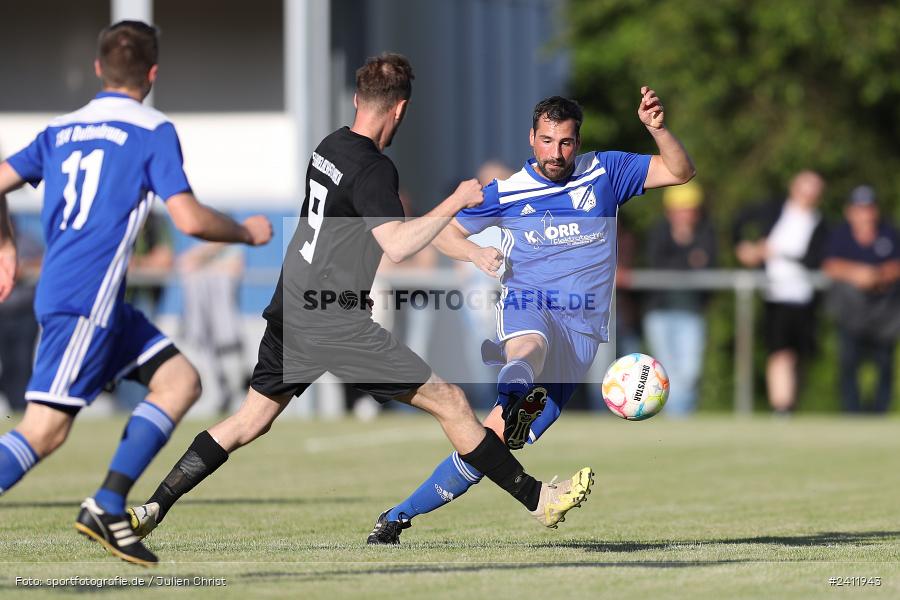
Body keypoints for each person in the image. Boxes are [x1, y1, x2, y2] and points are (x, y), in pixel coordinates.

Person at [126, 54, 593, 552]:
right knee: (452, 401)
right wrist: (455, 201)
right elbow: (397, 244)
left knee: (249, 421)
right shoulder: (375, 170)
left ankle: (154, 504)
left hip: (291, 307)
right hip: (334, 319)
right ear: (401, 110)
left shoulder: (328, 147)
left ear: (357, 99)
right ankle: (538, 498)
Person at [0, 21, 273, 566]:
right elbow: (190, 219)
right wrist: (246, 232)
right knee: (44, 431)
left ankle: (106, 504)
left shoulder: (61, 129)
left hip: (94, 300)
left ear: (99, 69)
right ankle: (103, 506)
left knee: (179, 381)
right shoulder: (151, 130)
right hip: (85, 300)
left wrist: (5, 247)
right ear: (152, 74)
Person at [370, 91, 695, 543]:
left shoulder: (608, 172)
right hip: (530, 303)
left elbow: (680, 171)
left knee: (491, 443)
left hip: (582, 331)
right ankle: (516, 385)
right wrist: (475, 251)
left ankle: (397, 516)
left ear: (577, 142)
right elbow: (442, 232)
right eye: (546, 140)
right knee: (530, 346)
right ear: (532, 138)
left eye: (564, 142)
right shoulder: (507, 191)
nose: (554, 152)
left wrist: (657, 129)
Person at [733, 171, 828, 413]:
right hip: (776, 294)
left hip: (805, 297)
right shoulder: (773, 210)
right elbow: (739, 222)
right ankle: (781, 408)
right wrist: (745, 247)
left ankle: (790, 404)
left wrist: (778, 253)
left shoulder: (821, 223)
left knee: (800, 356)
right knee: (780, 352)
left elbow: (815, 260)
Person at [822, 185, 900, 413]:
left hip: (885, 312)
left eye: (868, 208)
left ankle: (879, 411)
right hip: (851, 311)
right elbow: (829, 265)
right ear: (850, 211)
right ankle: (852, 412)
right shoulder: (840, 234)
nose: (864, 213)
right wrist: (857, 273)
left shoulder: (889, 233)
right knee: (848, 362)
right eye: (859, 208)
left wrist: (879, 274)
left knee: (884, 363)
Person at [642, 181, 717, 415]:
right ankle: (677, 420)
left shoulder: (707, 232)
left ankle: (678, 419)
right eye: (681, 209)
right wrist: (690, 260)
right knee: (666, 371)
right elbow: (658, 264)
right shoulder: (658, 232)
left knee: (690, 371)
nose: (686, 215)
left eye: (691, 209)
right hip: (660, 313)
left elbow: (710, 265)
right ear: (670, 211)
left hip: (691, 312)